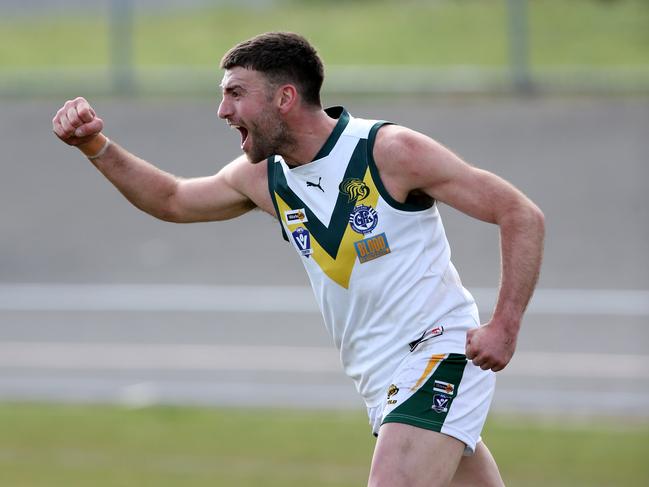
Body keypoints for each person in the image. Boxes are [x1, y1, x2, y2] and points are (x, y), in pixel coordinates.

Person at [52, 31, 544, 487]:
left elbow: (519, 213)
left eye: (236, 93)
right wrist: (95, 146)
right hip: (381, 381)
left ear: (285, 97)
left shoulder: (388, 151)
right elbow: (173, 199)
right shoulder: (264, 178)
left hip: (439, 352)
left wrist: (505, 324)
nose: (222, 110)